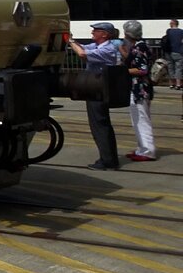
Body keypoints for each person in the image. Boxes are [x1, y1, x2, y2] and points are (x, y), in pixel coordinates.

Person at [67, 22, 123, 170]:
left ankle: (108, 161)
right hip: (95, 89)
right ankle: (109, 158)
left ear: (104, 34)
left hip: (99, 91)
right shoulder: (99, 46)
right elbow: (83, 48)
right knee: (100, 125)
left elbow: (82, 54)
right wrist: (72, 39)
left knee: (100, 125)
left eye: (95, 31)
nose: (92, 33)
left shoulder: (108, 49)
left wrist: (70, 41)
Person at [122, 20, 156, 161]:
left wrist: (123, 71)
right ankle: (142, 148)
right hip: (141, 88)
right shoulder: (141, 46)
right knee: (138, 119)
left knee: (141, 119)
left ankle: (148, 150)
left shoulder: (138, 48)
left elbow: (142, 69)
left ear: (128, 34)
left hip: (139, 89)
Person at [163, 18, 183, 89]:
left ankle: (172, 84)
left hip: (169, 52)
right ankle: (178, 84)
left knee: (170, 68)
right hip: (178, 52)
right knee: (178, 68)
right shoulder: (181, 32)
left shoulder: (168, 31)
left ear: (172, 24)